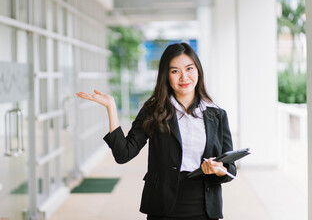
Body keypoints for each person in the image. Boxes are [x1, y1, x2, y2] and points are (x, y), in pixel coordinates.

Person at [76, 42, 236, 220]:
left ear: (198, 70)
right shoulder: (153, 110)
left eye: (189, 68)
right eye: (175, 71)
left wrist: (220, 170)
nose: (184, 77)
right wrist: (111, 107)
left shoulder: (217, 115)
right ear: (166, 76)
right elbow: (123, 154)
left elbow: (230, 169)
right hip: (163, 206)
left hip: (205, 207)